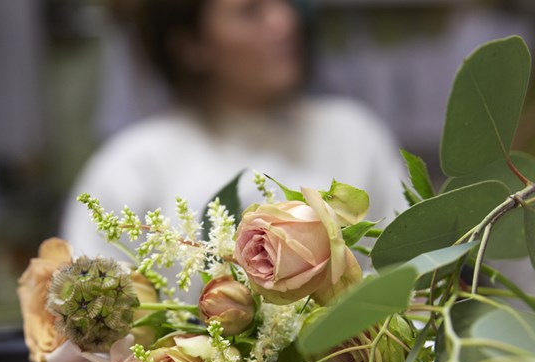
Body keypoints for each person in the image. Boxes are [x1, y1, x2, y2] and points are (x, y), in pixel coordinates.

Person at [61, 0, 406, 260]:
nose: (284, 21)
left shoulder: (353, 134)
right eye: (250, 12)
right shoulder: (134, 165)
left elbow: (412, 275)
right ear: (191, 47)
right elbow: (90, 314)